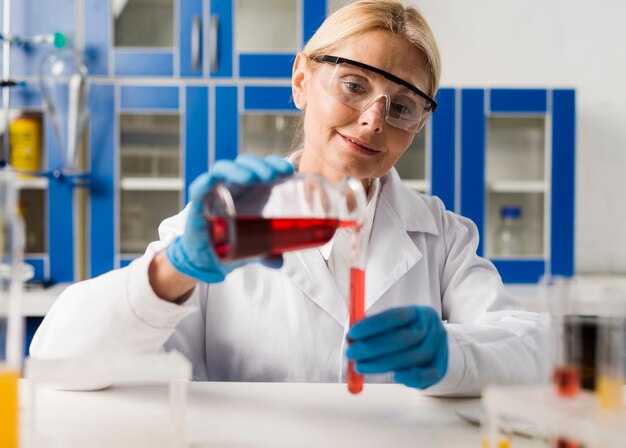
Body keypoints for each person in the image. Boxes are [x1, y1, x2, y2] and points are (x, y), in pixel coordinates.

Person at [31, 0, 542, 396]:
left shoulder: (443, 237)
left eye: (404, 106)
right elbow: (56, 362)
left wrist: (451, 352)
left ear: (420, 125)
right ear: (302, 79)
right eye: (353, 84)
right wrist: (174, 270)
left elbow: (535, 349)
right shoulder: (221, 223)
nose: (373, 120)